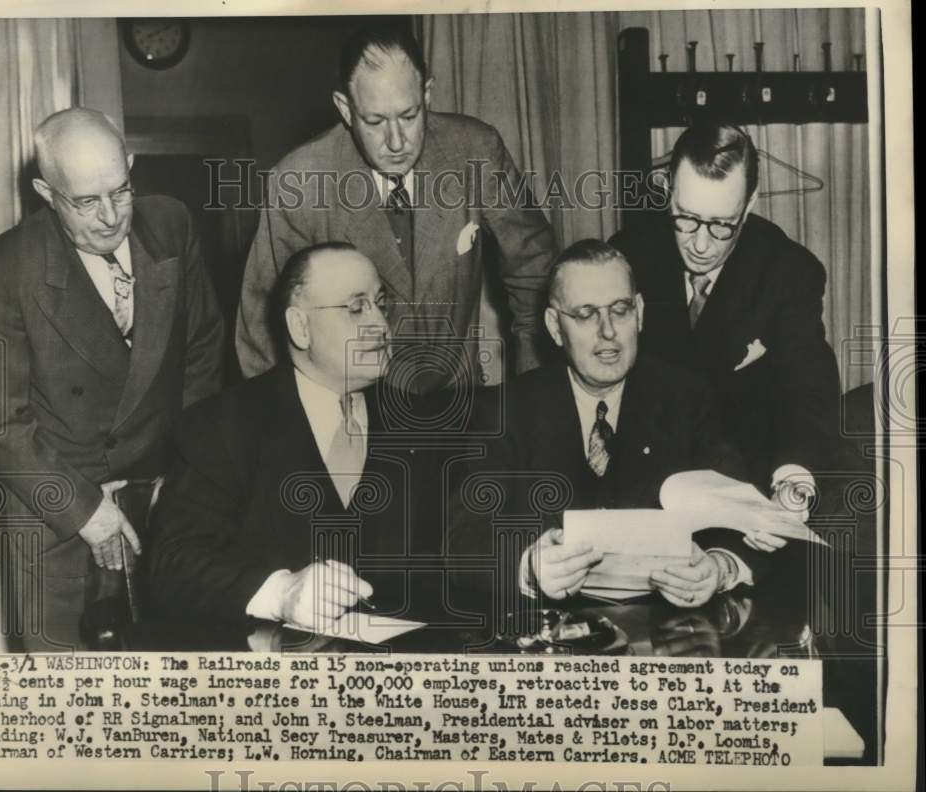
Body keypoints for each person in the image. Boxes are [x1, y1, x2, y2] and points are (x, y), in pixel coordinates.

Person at [0, 108, 224, 651]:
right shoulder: (4, 269)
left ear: (130, 167)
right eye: (85, 201)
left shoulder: (172, 225)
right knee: (68, 701)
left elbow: (202, 354)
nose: (110, 217)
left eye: (120, 191)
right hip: (54, 511)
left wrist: (184, 475)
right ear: (45, 192)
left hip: (158, 497)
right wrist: (84, 511)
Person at [450, 240, 784, 609]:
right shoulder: (504, 410)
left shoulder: (686, 398)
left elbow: (745, 514)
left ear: (639, 313)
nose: (608, 331)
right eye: (586, 313)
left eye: (620, 310)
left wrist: (719, 568)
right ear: (554, 327)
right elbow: (463, 540)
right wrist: (528, 566)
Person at [235, 23, 556, 393]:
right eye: (375, 121)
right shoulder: (300, 181)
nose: (396, 141)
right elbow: (261, 332)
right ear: (345, 108)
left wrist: (533, 391)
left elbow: (536, 272)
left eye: (409, 115)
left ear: (427, 93)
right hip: (352, 407)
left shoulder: (476, 151)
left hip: (459, 398)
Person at [151, 242, 431, 630]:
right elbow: (173, 564)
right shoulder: (223, 424)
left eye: (381, 305)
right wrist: (281, 593)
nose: (381, 325)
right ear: (300, 327)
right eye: (355, 308)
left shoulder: (416, 419)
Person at [610, 124, 841, 505]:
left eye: (722, 225)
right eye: (686, 218)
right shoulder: (627, 256)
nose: (700, 245)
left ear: (749, 204)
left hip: (744, 488)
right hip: (643, 485)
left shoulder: (788, 272)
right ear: (668, 191)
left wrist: (793, 479)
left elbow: (808, 393)